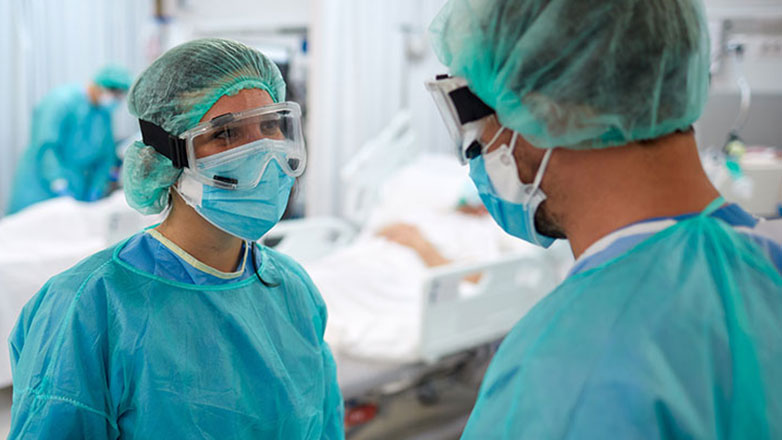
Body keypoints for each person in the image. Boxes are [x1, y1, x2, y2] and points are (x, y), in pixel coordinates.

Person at [425, 0, 782, 438]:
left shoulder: (565, 371)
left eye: (476, 116)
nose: (478, 145)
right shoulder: (768, 263)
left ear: (549, 108)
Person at [9, 38, 344, 439]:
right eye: (227, 134)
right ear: (167, 156)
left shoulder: (293, 291)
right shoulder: (88, 308)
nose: (264, 151)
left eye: (271, 126)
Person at [7, 65, 132, 215]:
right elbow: (46, 146)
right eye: (114, 94)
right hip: (38, 185)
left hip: (75, 187)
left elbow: (106, 156)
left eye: (120, 97)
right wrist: (56, 180)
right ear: (98, 86)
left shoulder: (103, 114)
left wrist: (97, 187)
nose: (115, 101)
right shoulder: (61, 102)